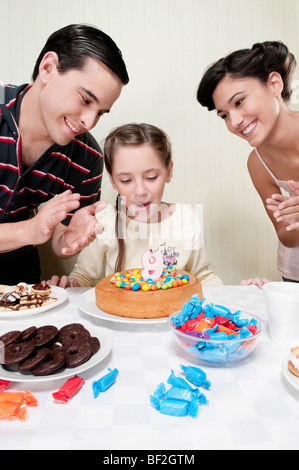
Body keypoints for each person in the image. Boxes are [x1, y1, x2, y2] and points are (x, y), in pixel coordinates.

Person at [0, 23, 129, 285]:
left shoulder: (88, 157)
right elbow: (34, 231)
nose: (90, 122)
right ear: (48, 68)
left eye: (101, 112)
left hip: (18, 272)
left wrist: (67, 239)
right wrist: (30, 229)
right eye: (85, 100)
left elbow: (60, 238)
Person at [49, 123, 222, 288]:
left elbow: (203, 277)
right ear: (113, 180)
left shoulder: (188, 218)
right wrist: (67, 288)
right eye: (126, 180)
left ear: (169, 172)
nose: (140, 191)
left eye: (151, 177)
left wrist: (241, 295)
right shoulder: (104, 220)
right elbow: (83, 276)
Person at [196, 40, 299, 284]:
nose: (235, 122)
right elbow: (286, 236)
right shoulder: (258, 163)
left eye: (239, 102)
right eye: (224, 115)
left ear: (274, 84)